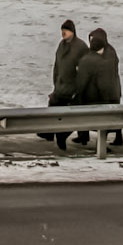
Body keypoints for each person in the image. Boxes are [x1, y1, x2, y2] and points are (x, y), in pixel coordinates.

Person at [71, 27, 123, 149]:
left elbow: (98, 74)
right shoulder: (110, 51)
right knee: (112, 115)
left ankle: (97, 142)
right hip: (113, 90)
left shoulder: (104, 56)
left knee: (102, 115)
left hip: (107, 91)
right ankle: (115, 137)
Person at [47, 19, 86, 150]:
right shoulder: (61, 45)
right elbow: (57, 65)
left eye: (66, 30)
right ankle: (47, 132)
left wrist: (78, 88)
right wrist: (56, 83)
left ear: (73, 32)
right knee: (53, 105)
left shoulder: (80, 47)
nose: (63, 33)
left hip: (72, 88)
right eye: (62, 30)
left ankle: (62, 136)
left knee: (70, 114)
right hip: (60, 85)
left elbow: (84, 70)